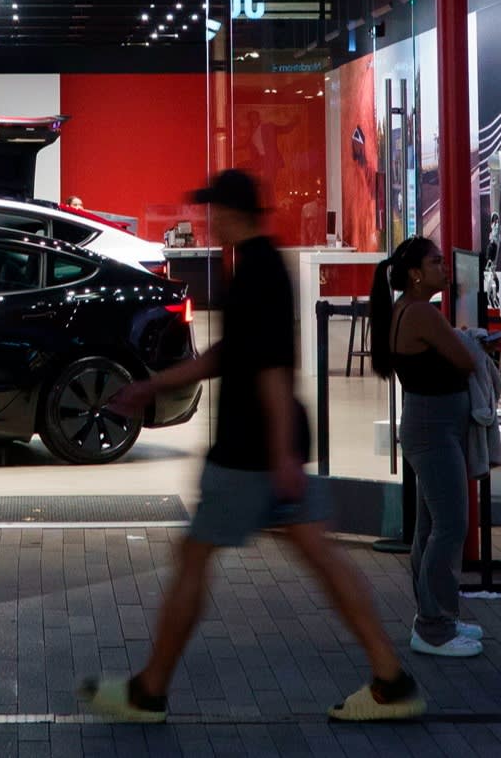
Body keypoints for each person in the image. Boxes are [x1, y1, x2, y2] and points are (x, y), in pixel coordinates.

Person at [79, 170, 424, 724]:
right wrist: (153, 385)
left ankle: (149, 692)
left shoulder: (257, 273)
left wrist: (282, 454)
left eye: (213, 209)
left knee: (195, 556)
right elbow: (231, 355)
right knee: (320, 557)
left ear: (233, 212)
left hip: (249, 453)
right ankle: (390, 678)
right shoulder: (259, 266)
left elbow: (268, 370)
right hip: (270, 447)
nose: (206, 220)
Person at [368, 236, 484, 660]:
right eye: (436, 262)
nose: (444, 268)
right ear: (416, 274)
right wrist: (471, 342)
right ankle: (434, 625)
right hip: (433, 427)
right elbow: (465, 360)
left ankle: (436, 617)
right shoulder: (421, 314)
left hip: (430, 425)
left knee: (430, 527)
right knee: (451, 525)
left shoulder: (409, 311)